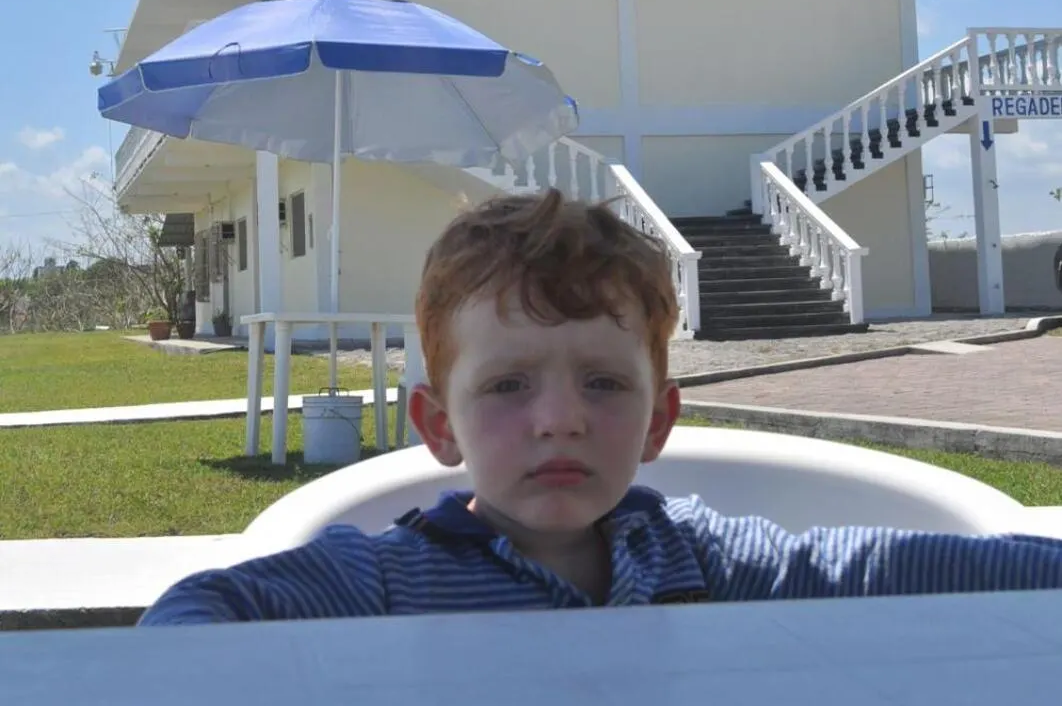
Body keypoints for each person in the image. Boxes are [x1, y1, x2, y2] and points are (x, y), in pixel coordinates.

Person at [141, 189, 1062, 625]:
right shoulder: (385, 579)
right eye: (507, 385)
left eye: (604, 382)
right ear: (437, 425)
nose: (560, 418)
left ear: (660, 420)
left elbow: (876, 566)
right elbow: (200, 611)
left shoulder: (693, 554)